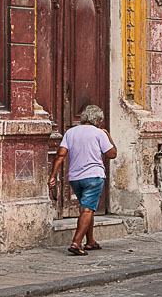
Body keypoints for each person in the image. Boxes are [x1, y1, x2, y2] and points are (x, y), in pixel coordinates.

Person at [48, 105, 117, 256]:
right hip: (93, 176)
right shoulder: (99, 133)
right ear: (98, 120)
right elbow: (112, 154)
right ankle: (76, 242)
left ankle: (90, 241)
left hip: (75, 178)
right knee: (87, 209)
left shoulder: (70, 132)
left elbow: (60, 155)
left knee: (87, 208)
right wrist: (108, 135)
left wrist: (53, 175)